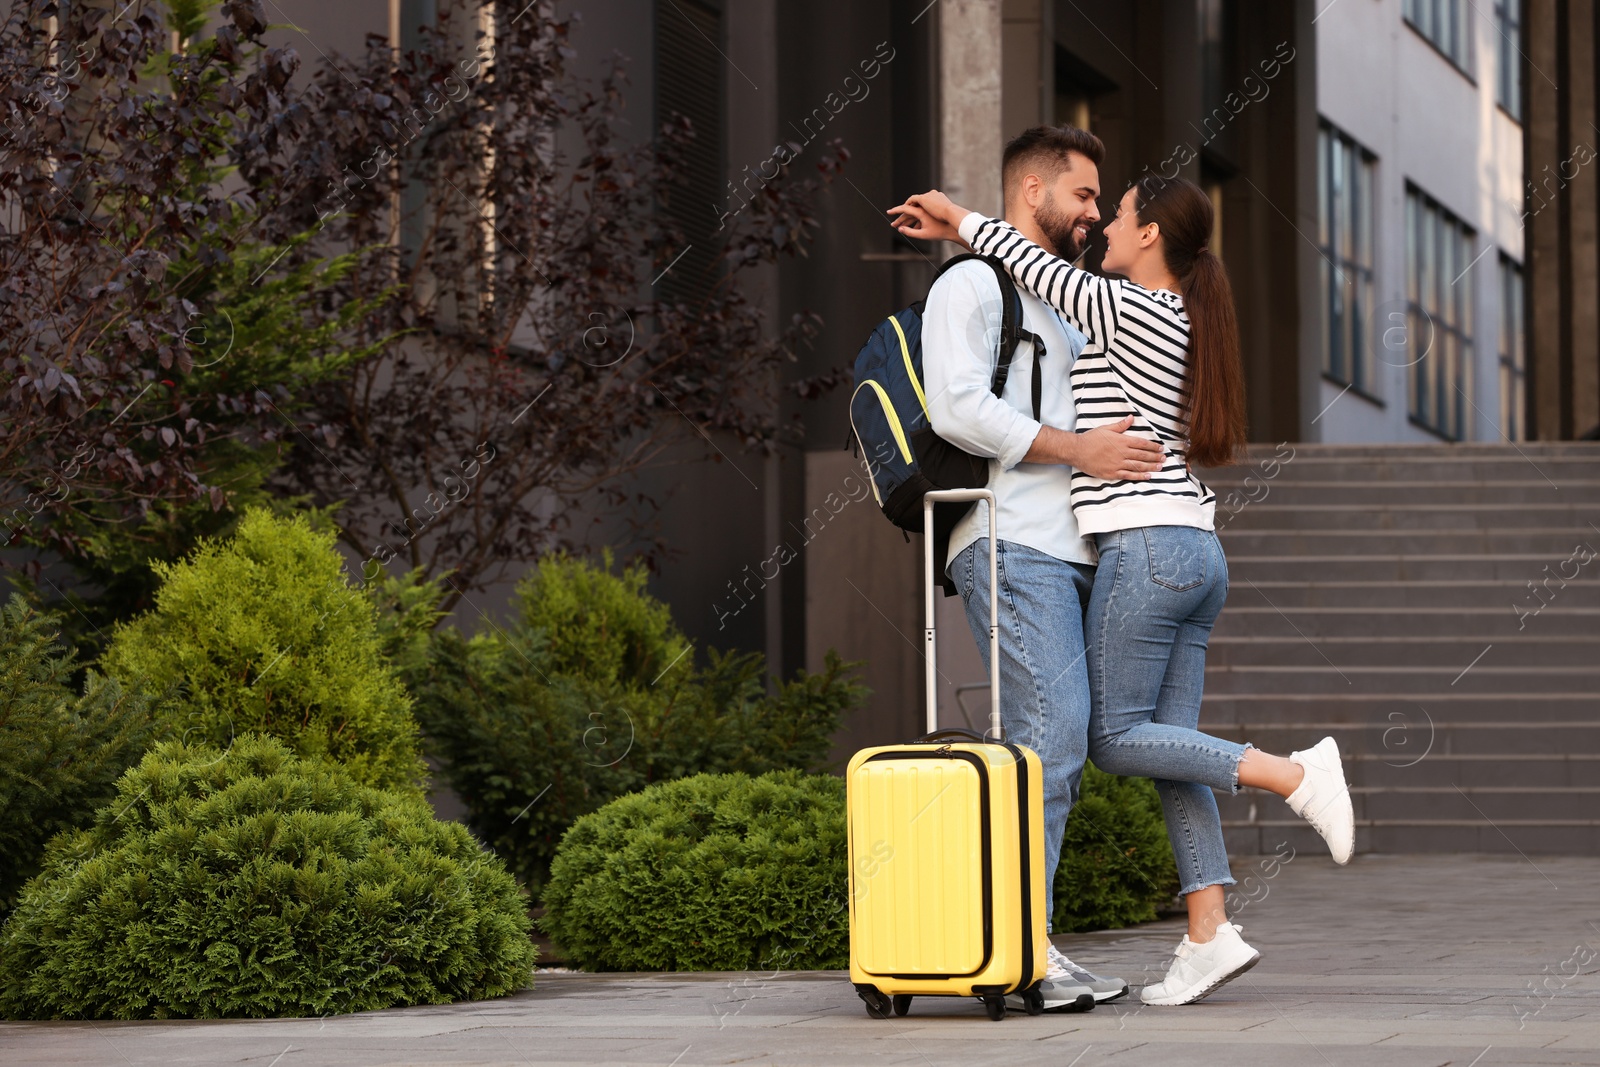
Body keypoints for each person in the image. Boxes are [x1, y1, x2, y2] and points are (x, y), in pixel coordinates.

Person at [891, 175, 1356, 1007]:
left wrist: (957, 218)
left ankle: (1293, 775)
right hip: (1195, 551)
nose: (1106, 221)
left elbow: (1029, 263)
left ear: (1151, 238)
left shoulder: (1130, 307)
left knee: (1111, 738)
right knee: (1167, 742)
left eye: (1122, 210)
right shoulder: (1180, 313)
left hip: (1146, 549)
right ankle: (1209, 931)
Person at [921, 126, 1167, 1012]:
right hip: (1008, 540)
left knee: (1059, 745)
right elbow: (955, 407)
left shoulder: (1066, 300)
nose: (1096, 215)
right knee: (1051, 735)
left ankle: (1020, 942)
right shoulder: (971, 284)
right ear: (1034, 193)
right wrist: (1079, 450)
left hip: (1071, 552)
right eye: (1086, 196)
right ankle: (1022, 950)